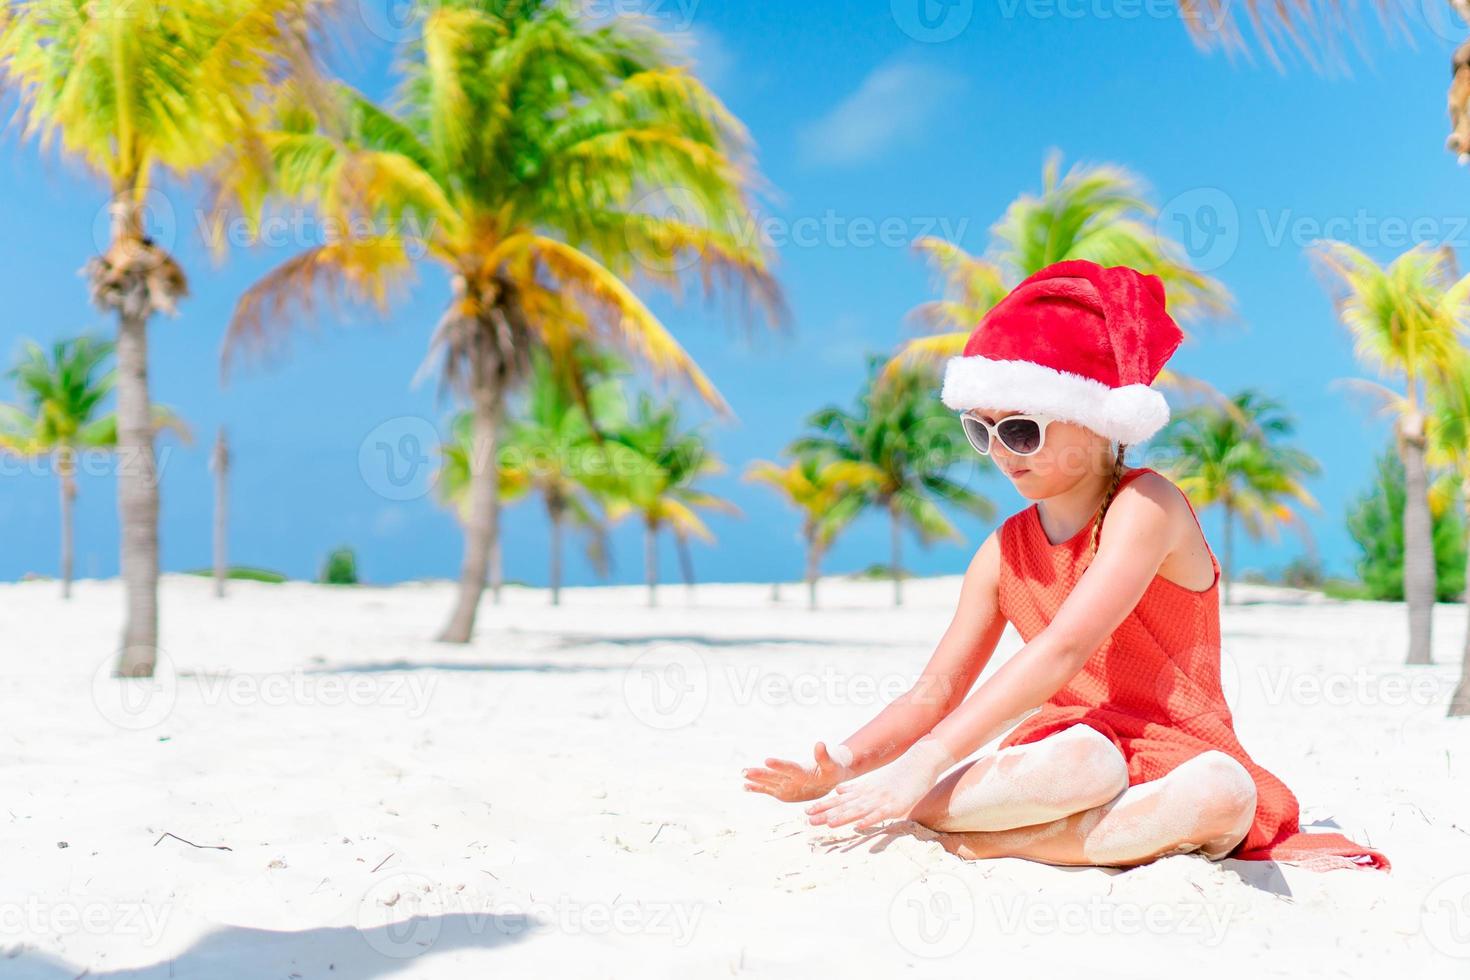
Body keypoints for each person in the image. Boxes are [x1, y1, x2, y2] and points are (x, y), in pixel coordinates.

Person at [743, 259, 1390, 872]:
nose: (1000, 452)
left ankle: (1009, 842)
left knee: (1225, 791)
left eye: (1021, 429)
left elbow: (1066, 646)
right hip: (1069, 752)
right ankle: (1045, 829)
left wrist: (926, 763)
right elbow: (935, 691)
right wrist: (848, 764)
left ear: (1093, 417)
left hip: (1177, 747)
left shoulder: (1145, 505)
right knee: (1086, 763)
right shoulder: (1002, 551)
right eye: (981, 430)